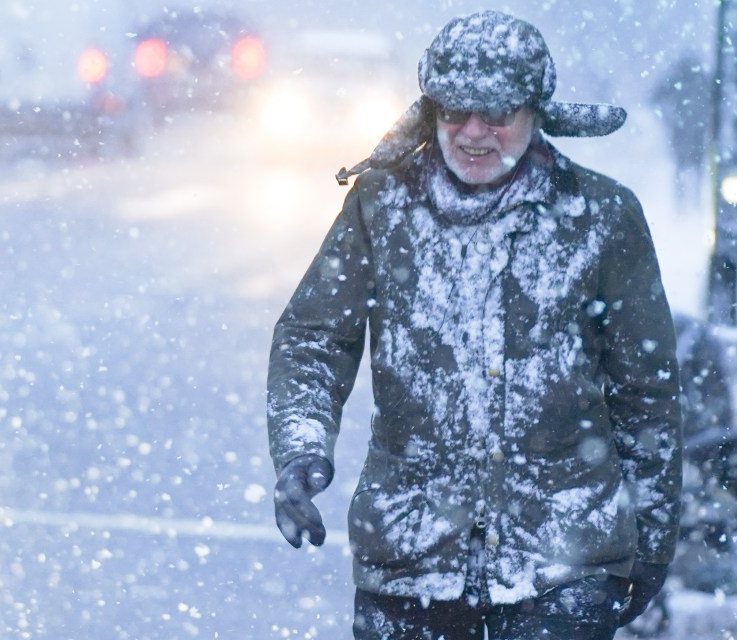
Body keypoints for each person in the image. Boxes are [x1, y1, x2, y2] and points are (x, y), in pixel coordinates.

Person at [268, 10, 683, 639]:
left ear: (535, 112)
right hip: (410, 555)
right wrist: (301, 451)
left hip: (564, 558)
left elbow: (645, 390)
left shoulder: (601, 217)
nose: (473, 133)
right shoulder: (381, 207)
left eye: (497, 114)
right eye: (454, 113)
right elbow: (315, 337)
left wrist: (651, 538)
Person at [652, 54, 712, 209]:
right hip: (696, 130)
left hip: (683, 129)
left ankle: (681, 204)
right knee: (695, 167)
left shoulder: (677, 79)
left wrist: (666, 118)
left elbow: (655, 97)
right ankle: (692, 203)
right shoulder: (703, 80)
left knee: (681, 167)